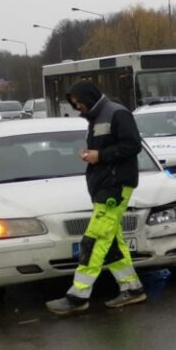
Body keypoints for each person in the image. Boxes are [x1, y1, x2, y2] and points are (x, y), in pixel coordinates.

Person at [45, 80, 147, 315]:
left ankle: (78, 296)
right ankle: (132, 288)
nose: (77, 107)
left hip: (115, 186)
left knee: (94, 240)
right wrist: (94, 156)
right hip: (105, 185)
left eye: (79, 103)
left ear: (89, 98)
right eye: (75, 104)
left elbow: (133, 145)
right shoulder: (97, 117)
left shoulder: (116, 113)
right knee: (110, 241)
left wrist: (99, 155)